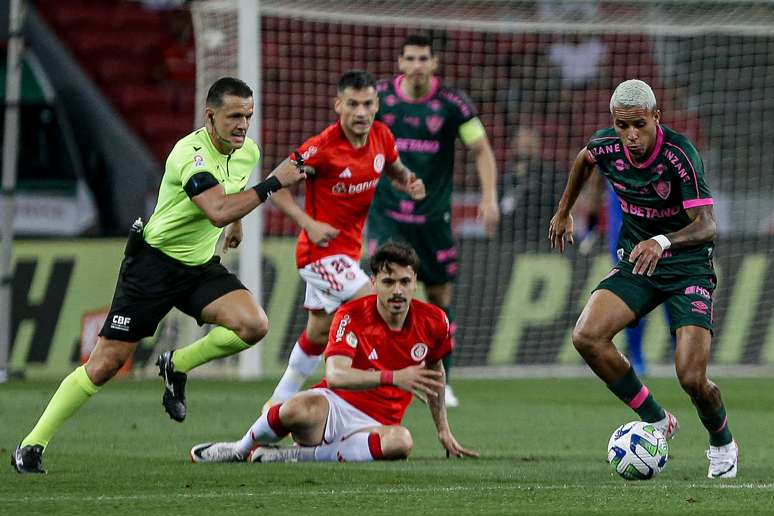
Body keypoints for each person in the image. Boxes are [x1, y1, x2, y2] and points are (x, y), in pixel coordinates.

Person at [11, 77, 308, 474]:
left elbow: (228, 208)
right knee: (105, 364)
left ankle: (177, 364)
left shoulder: (246, 151)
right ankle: (31, 444)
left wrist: (236, 227)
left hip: (199, 268)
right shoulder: (190, 155)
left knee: (253, 324)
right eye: (234, 116)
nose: (243, 125)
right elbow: (218, 209)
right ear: (210, 116)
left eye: (248, 116)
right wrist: (273, 184)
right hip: (153, 265)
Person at [549, 79, 738, 479]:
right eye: (622, 126)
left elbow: (708, 226)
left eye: (639, 124)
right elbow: (585, 158)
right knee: (586, 336)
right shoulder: (607, 147)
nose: (631, 136)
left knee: (691, 377)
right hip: (638, 261)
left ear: (656, 117)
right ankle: (657, 420)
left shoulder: (680, 155)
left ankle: (722, 443)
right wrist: (565, 210)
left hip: (686, 265)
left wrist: (663, 241)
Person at [189, 242, 478, 464]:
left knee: (402, 442)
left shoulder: (435, 320)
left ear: (415, 282)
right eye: (389, 282)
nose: (398, 291)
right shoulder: (351, 314)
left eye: (405, 282)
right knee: (295, 408)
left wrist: (443, 430)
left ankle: (292, 457)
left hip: (377, 426)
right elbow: (336, 375)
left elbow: (435, 374)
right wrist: (393, 377)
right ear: (373, 283)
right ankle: (239, 449)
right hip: (333, 408)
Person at [263, 70, 425, 409]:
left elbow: (394, 170)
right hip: (318, 254)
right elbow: (273, 185)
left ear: (377, 105)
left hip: (348, 256)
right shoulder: (321, 148)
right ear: (338, 105)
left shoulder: (382, 137)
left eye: (368, 104)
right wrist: (309, 223)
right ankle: (352, 394)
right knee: (375, 300)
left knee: (318, 334)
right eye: (353, 104)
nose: (362, 112)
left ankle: (276, 406)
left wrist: (410, 181)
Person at [367, 34, 500, 407]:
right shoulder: (379, 99)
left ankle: (443, 381)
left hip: (433, 217)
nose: (417, 65)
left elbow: (481, 149)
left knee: (439, 297)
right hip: (387, 214)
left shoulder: (452, 104)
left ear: (434, 63)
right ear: (400, 62)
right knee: (384, 291)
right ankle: (382, 376)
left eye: (424, 58)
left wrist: (489, 197)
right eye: (410, 58)